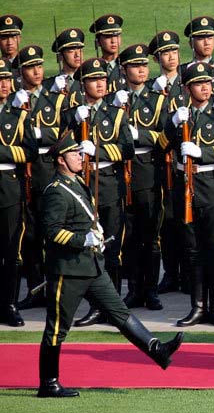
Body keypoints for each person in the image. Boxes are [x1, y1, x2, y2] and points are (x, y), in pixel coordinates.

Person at [37, 135, 183, 398]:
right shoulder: (56, 191)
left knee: (119, 312)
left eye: (80, 154)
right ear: (61, 160)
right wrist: (84, 239)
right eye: (75, 154)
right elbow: (51, 232)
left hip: (91, 266)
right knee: (57, 327)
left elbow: (83, 217)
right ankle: (49, 383)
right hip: (68, 270)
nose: (81, 158)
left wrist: (97, 233)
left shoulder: (77, 182)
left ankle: (156, 350)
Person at [163, 62, 214, 327]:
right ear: (186, 88)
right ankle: (197, 306)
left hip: (212, 185)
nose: (205, 87)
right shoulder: (180, 115)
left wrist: (203, 153)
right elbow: (163, 144)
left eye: (208, 82)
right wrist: (173, 124)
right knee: (192, 251)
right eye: (198, 83)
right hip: (185, 186)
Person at [64, 58, 134, 327]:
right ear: (83, 84)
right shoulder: (73, 113)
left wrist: (99, 151)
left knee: (111, 246)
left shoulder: (115, 114)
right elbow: (58, 144)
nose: (101, 84)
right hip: (81, 185)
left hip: (107, 182)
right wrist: (73, 121)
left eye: (103, 79)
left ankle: (113, 306)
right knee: (88, 247)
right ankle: (96, 305)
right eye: (94, 80)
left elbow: (127, 149)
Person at [14, 45, 66, 312]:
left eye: (39, 66)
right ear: (20, 71)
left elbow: (65, 133)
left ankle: (55, 289)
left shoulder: (55, 100)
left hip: (47, 169)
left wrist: (37, 136)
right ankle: (36, 289)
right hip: (24, 173)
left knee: (52, 233)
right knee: (31, 235)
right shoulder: (15, 101)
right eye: (30, 67)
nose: (37, 71)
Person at [118, 44, 167, 311]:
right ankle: (134, 288)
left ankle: (151, 289)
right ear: (124, 69)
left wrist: (139, 136)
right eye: (136, 66)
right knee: (129, 235)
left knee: (150, 234)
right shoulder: (116, 99)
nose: (141, 70)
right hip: (122, 174)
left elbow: (166, 137)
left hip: (148, 172)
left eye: (144, 65)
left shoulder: (157, 100)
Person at [148, 30, 187, 294]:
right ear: (156, 58)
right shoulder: (153, 89)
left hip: (187, 160)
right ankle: (171, 272)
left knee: (188, 220)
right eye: (165, 53)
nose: (170, 57)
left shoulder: (189, 82)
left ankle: (187, 272)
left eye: (173, 51)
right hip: (165, 160)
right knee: (169, 220)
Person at [0, 59, 37, 326]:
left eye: (6, 79)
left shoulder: (19, 116)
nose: (3, 85)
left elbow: (30, 152)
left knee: (12, 250)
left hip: (9, 188)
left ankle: (9, 303)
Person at [180, 16, 214, 94]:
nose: (206, 43)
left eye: (210, 38)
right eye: (201, 38)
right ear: (191, 44)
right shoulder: (182, 71)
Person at [89, 13, 126, 92]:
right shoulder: (91, 69)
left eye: (116, 36)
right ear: (98, 42)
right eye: (108, 37)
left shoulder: (128, 66)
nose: (113, 41)